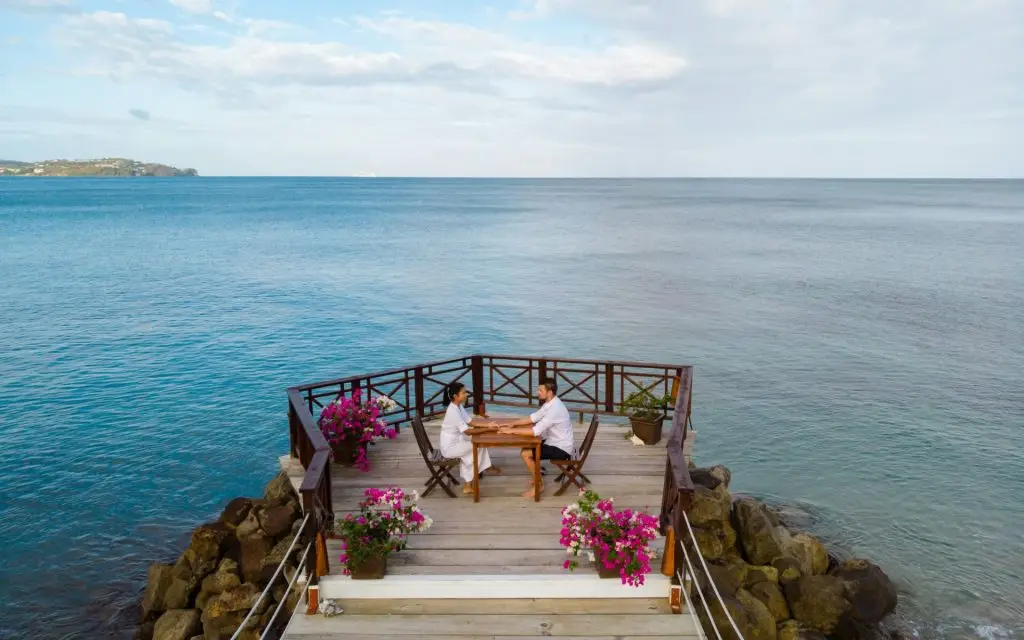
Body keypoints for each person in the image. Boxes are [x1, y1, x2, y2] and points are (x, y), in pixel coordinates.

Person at [498, 378, 573, 498]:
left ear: (549, 392)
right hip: (553, 441)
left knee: (525, 453)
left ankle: (539, 485)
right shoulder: (550, 403)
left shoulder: (555, 409)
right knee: (527, 446)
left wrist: (511, 431)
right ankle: (536, 476)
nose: (538, 392)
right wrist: (514, 423)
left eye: (540, 390)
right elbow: (533, 418)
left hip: (561, 448)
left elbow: (535, 431)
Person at [439, 381, 503, 494]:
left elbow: (471, 421)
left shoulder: (458, 406)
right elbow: (468, 432)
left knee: (478, 446)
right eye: (463, 393)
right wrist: (488, 429)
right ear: (455, 396)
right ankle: (484, 469)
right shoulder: (453, 411)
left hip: (457, 441)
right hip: (450, 448)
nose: (466, 394)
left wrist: (488, 425)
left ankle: (479, 473)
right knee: (477, 446)